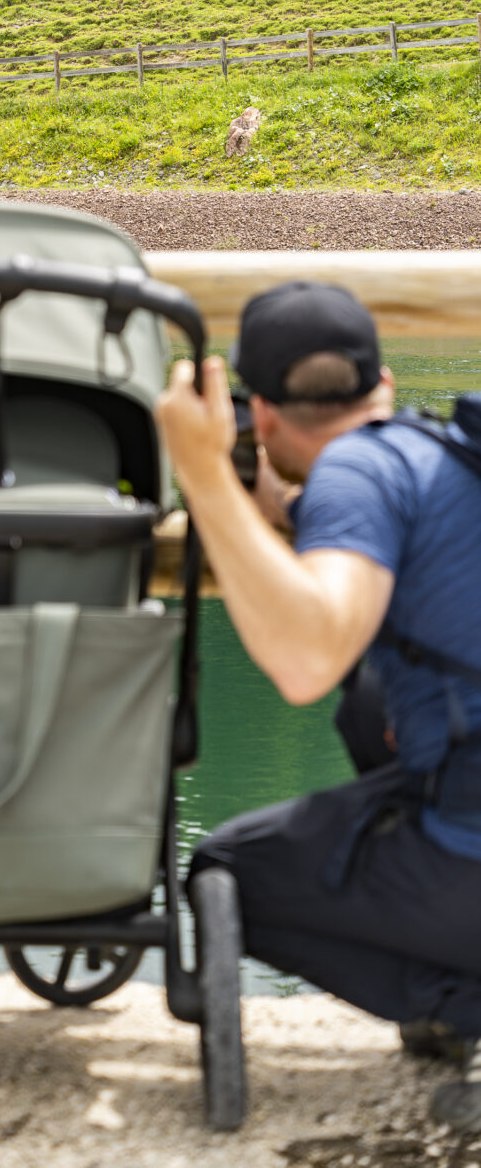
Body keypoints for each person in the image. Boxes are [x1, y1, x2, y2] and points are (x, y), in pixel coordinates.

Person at [155, 280, 481, 1131]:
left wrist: (204, 476)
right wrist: (283, 516)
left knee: (228, 873)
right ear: (380, 387)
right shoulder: (443, 453)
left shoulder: (355, 474)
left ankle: (460, 1001)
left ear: (259, 417)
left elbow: (307, 658)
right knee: (369, 699)